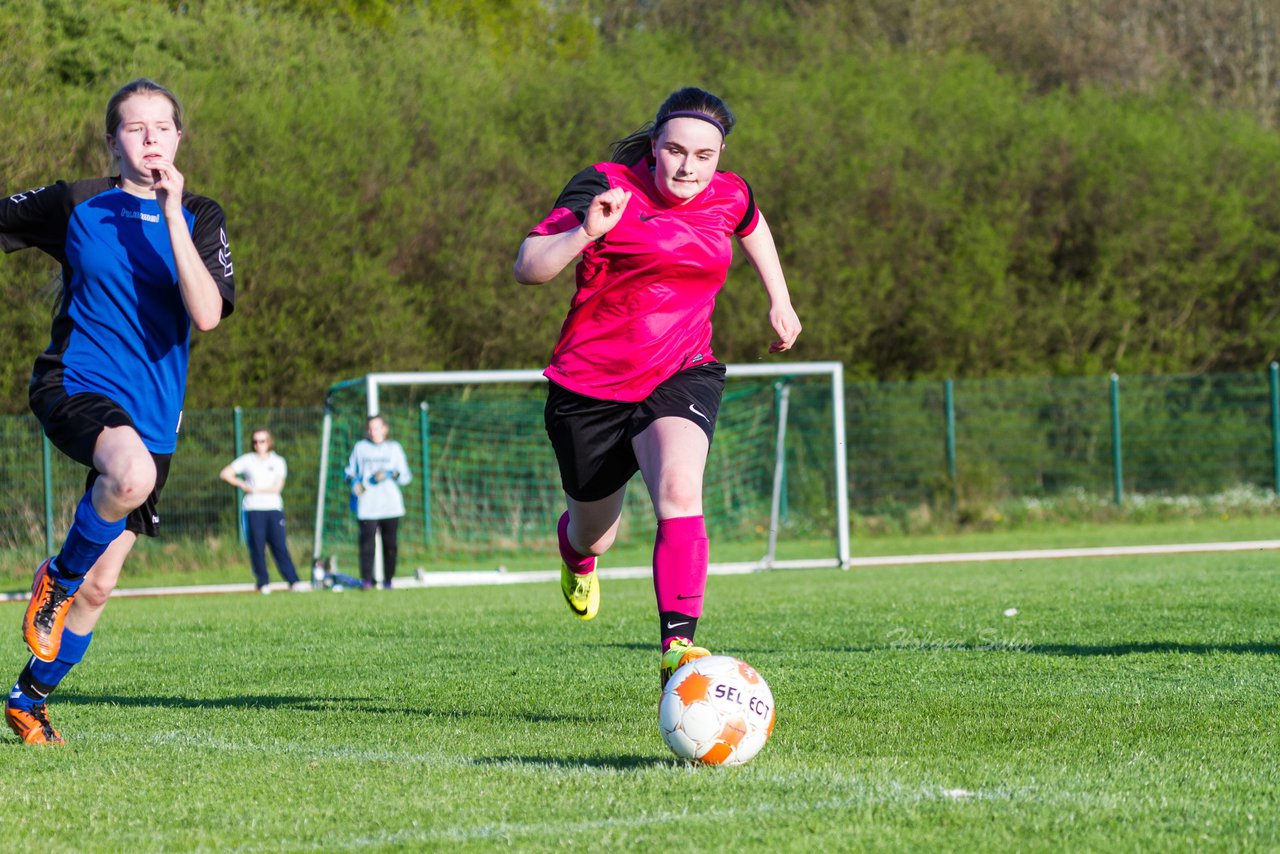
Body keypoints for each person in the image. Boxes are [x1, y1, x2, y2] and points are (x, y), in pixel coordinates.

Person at [513, 87, 801, 687]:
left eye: (704, 156)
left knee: (678, 489)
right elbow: (529, 267)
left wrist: (780, 298)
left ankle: (679, 648)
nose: (688, 168)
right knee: (598, 530)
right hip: (589, 388)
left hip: (681, 368)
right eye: (675, 151)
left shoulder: (730, 192)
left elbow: (751, 224)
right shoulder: (604, 185)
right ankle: (576, 553)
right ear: (654, 145)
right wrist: (585, 234)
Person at [0, 79, 235, 745]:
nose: (150, 138)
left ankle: (28, 697)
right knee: (128, 477)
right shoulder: (76, 204)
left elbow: (207, 314)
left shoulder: (201, 217)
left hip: (155, 416)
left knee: (102, 589)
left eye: (162, 127)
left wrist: (171, 211)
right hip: (75, 385)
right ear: (113, 142)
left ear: (180, 138)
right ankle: (56, 579)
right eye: (135, 128)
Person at [219, 428, 306, 594]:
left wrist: (257, 489)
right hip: (253, 509)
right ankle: (263, 582)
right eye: (255, 442)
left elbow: (277, 487)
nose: (258, 445)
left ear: (269, 442)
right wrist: (242, 484)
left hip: (273, 508)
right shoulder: (247, 460)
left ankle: (293, 580)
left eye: (262, 441)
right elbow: (225, 474)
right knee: (257, 547)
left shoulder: (278, 461)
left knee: (279, 546)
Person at [344, 415, 412, 590]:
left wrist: (389, 473)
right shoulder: (360, 448)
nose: (373, 432)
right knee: (367, 545)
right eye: (370, 428)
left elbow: (405, 476)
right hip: (367, 506)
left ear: (385, 429)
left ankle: (388, 580)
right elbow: (349, 472)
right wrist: (354, 483)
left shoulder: (394, 448)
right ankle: (367, 580)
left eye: (377, 428)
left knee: (390, 546)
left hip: (390, 507)